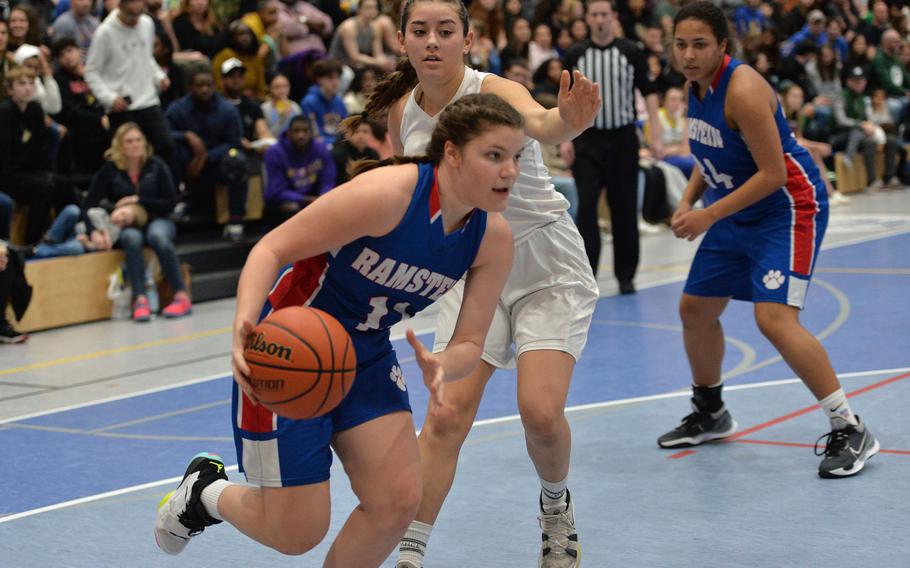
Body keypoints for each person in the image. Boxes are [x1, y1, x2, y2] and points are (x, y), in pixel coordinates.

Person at [153, 93, 522, 567]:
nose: (509, 171)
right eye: (494, 156)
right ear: (451, 152)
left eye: (516, 157)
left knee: (397, 500)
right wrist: (245, 325)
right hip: (289, 349)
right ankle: (205, 492)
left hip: (365, 354)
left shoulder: (492, 239)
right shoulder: (390, 195)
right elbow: (271, 248)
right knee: (297, 532)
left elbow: (471, 342)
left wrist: (440, 364)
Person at [343, 0, 601, 565]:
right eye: (420, 31)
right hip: (471, 267)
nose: (432, 41)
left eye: (445, 30)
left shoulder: (496, 90)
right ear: (404, 41)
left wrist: (570, 122)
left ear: (468, 38)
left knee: (539, 412)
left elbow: (543, 123)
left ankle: (555, 509)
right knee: (445, 414)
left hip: (544, 265)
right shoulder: (402, 117)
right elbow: (416, 204)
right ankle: (410, 552)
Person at [658, 1, 879, 479]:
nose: (690, 54)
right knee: (695, 308)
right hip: (736, 206)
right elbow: (707, 151)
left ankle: (851, 426)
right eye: (682, 45)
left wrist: (707, 216)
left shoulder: (743, 89)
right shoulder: (695, 86)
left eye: (700, 45)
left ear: (723, 46)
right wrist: (687, 202)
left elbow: (774, 173)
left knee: (774, 318)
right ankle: (711, 411)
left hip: (787, 207)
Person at [563, 0, 664, 294]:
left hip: (622, 139)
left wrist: (655, 136)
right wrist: (566, 137)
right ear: (587, 19)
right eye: (594, 14)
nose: (599, 20)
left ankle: (625, 275)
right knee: (586, 210)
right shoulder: (576, 53)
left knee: (624, 209)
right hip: (586, 140)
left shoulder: (631, 52)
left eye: (604, 14)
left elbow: (650, 93)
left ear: (614, 18)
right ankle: (586, 275)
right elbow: (566, 100)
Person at [84, 122, 191, 321]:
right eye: (129, 141)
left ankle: (181, 295)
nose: (134, 145)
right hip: (125, 224)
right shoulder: (110, 170)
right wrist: (95, 229)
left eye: (138, 140)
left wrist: (139, 201)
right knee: (132, 238)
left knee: (158, 236)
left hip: (157, 218)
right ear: (120, 145)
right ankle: (139, 299)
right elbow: (89, 204)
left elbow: (170, 203)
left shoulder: (157, 165)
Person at [84, 0, 175, 166]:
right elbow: (91, 72)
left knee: (166, 146)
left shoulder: (146, 24)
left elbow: (146, 58)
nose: (135, 20)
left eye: (139, 15)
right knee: (125, 157)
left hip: (148, 99)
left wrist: (159, 76)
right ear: (120, 8)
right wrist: (109, 98)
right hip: (122, 104)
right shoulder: (105, 32)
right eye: (131, 15)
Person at [165, 69, 248, 240]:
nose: (204, 90)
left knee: (238, 160)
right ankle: (178, 203)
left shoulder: (227, 110)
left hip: (216, 161)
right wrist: (186, 136)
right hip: (187, 162)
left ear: (215, 87)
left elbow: (235, 142)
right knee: (170, 151)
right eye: (199, 85)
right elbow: (164, 134)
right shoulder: (177, 108)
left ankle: (235, 221)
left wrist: (205, 157)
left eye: (208, 85)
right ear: (190, 87)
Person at [262, 115, 335, 227]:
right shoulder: (275, 152)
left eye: (305, 131)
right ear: (288, 133)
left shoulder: (321, 148)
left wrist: (322, 197)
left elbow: (328, 180)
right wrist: (304, 199)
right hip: (284, 202)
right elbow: (276, 191)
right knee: (291, 208)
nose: (301, 135)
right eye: (296, 131)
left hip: (314, 197)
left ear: (312, 133)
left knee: (333, 202)